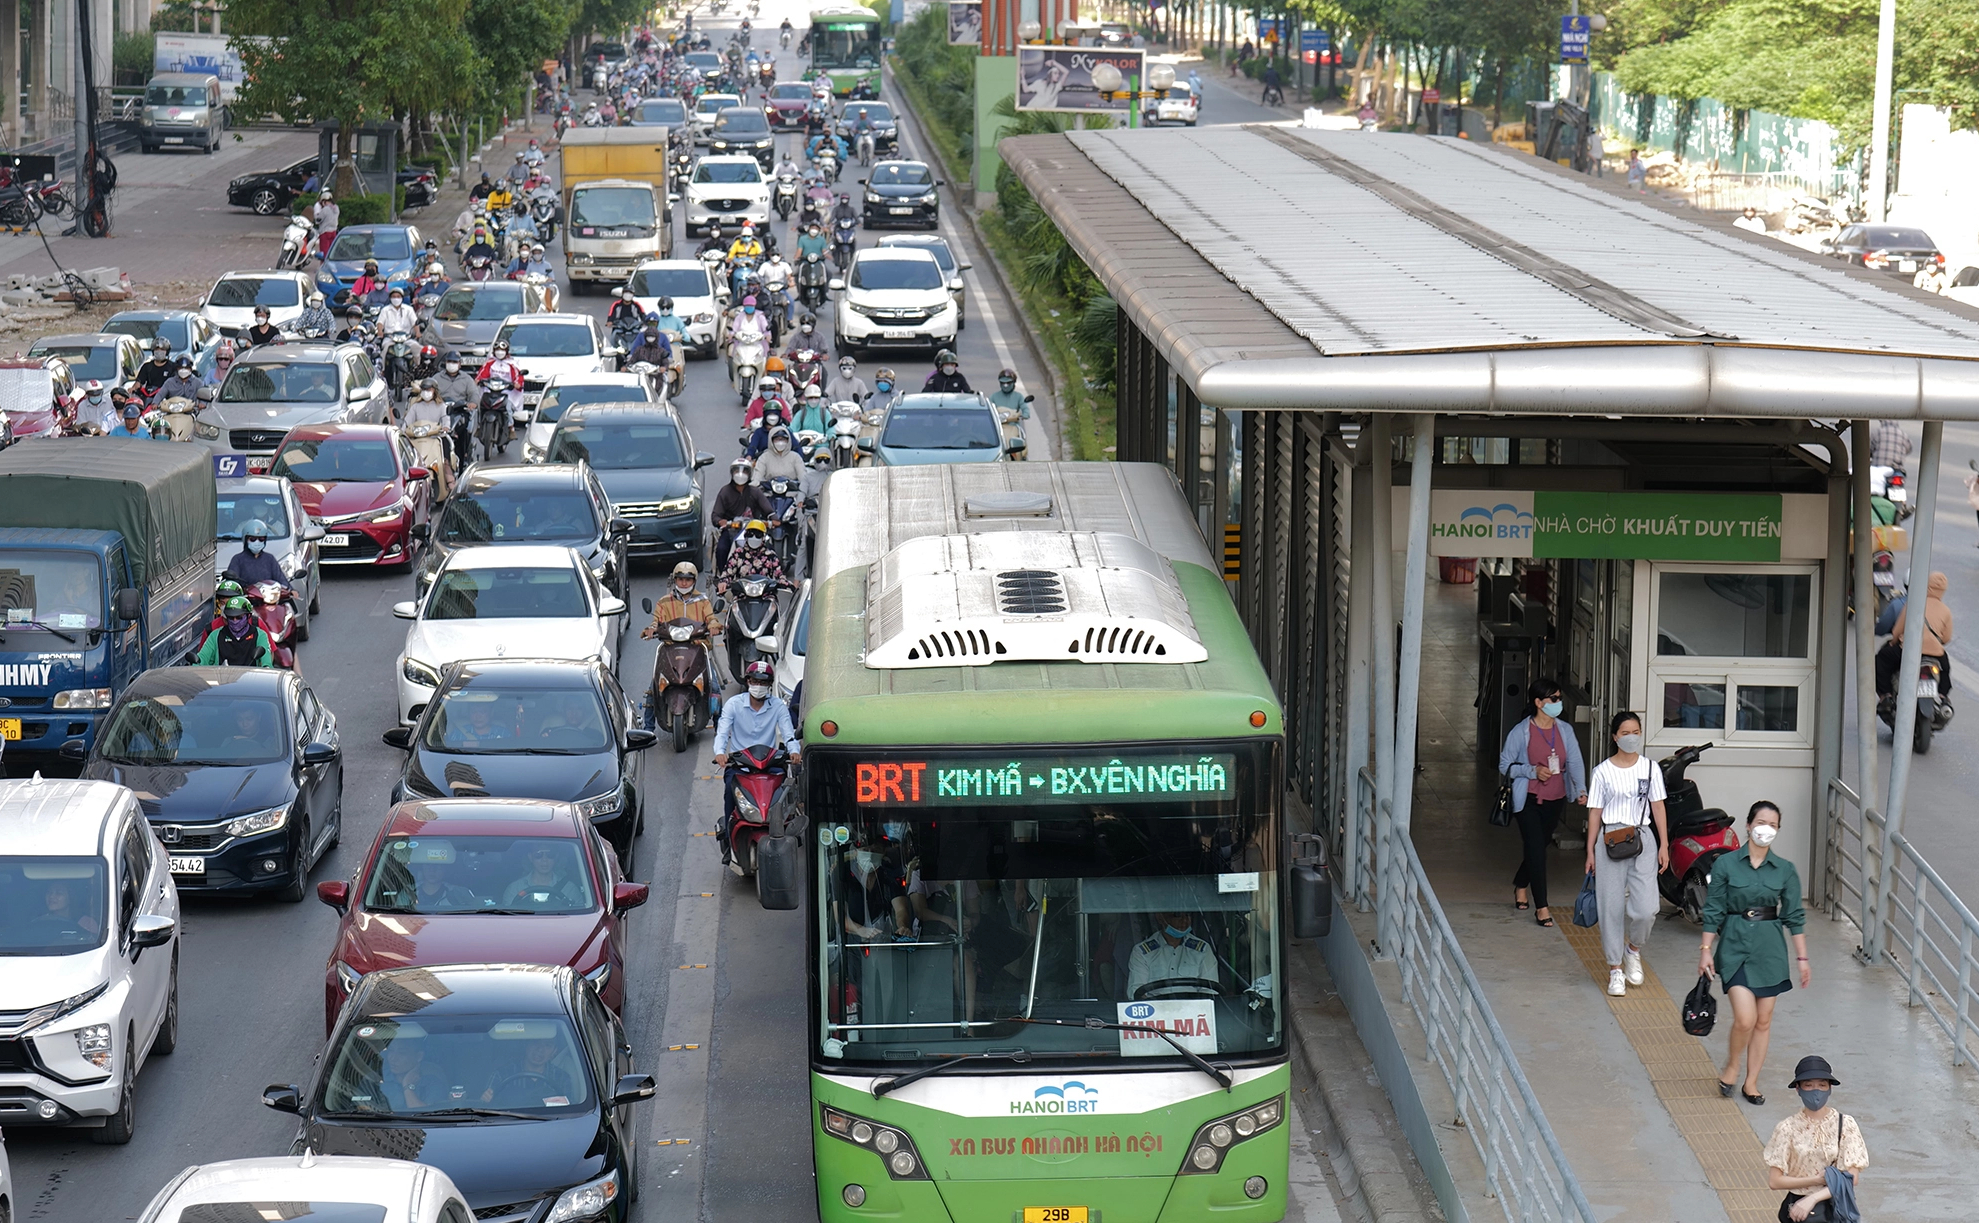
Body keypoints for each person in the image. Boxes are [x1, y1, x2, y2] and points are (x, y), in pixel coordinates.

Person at [1697, 800, 1809, 1106]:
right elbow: (1714, 909)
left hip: (1770, 950)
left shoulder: (1785, 870)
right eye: (1761, 823)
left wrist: (1802, 958)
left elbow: (1794, 916)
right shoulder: (1726, 864)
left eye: (1773, 825)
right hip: (1735, 946)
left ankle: (1752, 1081)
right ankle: (1732, 1065)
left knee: (1763, 1020)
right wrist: (1706, 950)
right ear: (1748, 825)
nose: (1766, 830)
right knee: (1745, 1019)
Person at [1584, 711, 1668, 997]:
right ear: (1615, 737)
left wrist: (1664, 844)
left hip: (1642, 837)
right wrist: (1590, 850)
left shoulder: (1650, 768)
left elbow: (1658, 806)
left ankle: (1633, 949)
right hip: (1610, 838)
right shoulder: (1602, 771)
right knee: (1610, 907)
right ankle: (1615, 969)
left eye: (1636, 732)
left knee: (1647, 909)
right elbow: (1595, 812)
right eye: (1625, 733)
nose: (1632, 738)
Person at [1497, 679, 1587, 929]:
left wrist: (1581, 789)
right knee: (1536, 849)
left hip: (1555, 799)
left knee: (1538, 846)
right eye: (1553, 699)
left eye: (1559, 698)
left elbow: (1575, 761)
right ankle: (1542, 907)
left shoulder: (1564, 730)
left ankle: (1521, 883)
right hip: (1527, 800)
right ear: (1538, 702)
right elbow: (1504, 765)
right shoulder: (1521, 731)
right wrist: (1532, 771)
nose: (1558, 703)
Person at [711, 659, 801, 862]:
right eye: (755, 681)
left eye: (763, 682)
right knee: (729, 794)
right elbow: (722, 733)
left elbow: (789, 735)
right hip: (740, 766)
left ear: (769, 685)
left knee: (786, 795)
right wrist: (720, 753)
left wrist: (794, 752)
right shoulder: (734, 705)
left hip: (769, 766)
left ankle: (789, 835)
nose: (758, 686)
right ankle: (729, 842)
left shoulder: (778, 706)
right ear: (748, 682)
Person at [1764, 1055, 1867, 1223]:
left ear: (1830, 1088)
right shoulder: (1787, 1128)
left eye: (1822, 1085)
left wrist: (1812, 1199)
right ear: (1798, 1089)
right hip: (1797, 1210)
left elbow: (1852, 1177)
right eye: (1808, 1085)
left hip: (1831, 1206)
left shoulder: (1845, 1124)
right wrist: (1815, 1180)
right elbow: (1775, 1181)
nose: (1816, 1091)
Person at [1876, 569, 1952, 697]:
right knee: (1945, 671)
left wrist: (1893, 642)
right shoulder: (1946, 610)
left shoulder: (1913, 604)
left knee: (1882, 659)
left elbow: (1897, 630)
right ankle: (1943, 697)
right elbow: (1946, 638)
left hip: (1909, 650)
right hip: (1936, 654)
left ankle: (1886, 696)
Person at [1126, 911, 1219, 1000]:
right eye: (1177, 915)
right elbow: (1136, 992)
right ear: (1160, 917)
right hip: (1156, 1009)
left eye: (1187, 915)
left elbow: (1210, 991)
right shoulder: (1142, 952)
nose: (1184, 920)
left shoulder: (1203, 949)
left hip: (1194, 1009)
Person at [710, 459, 771, 569]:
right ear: (732, 473)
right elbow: (715, 515)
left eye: (744, 471)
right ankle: (722, 575)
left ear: (750, 474)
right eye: (737, 471)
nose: (740, 474)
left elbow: (768, 510)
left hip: (754, 530)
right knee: (721, 549)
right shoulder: (725, 491)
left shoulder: (755, 492)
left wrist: (774, 519)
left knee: (770, 549)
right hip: (731, 530)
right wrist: (720, 521)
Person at [373, 1034, 450, 1112]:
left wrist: (407, 1087)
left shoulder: (432, 1084)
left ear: (419, 1056)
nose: (392, 1058)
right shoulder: (377, 1079)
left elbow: (427, 1115)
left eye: (401, 1053)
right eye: (391, 1051)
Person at [196, 596, 275, 667]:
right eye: (231, 617)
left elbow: (267, 662)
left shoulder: (260, 635)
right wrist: (196, 664)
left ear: (248, 616)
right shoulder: (216, 635)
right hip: (222, 678)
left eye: (239, 617)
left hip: (251, 678)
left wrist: (266, 667)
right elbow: (202, 658)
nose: (235, 621)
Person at [224, 519, 291, 589]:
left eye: (261, 539)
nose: (257, 542)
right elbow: (232, 584)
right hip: (245, 595)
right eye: (252, 539)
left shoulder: (270, 559)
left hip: (268, 595)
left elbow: (281, 580)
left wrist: (290, 589)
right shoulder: (238, 559)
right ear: (246, 539)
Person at [34, 879, 99, 936]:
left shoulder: (87, 923)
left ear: (70, 897)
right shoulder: (39, 922)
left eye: (59, 893)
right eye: (49, 892)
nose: (51, 896)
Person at [311, 191, 340, 255]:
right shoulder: (336, 208)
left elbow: (318, 220)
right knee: (331, 252)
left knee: (324, 252)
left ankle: (324, 261)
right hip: (334, 231)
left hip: (325, 232)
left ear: (324, 201)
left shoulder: (325, 209)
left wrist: (316, 214)